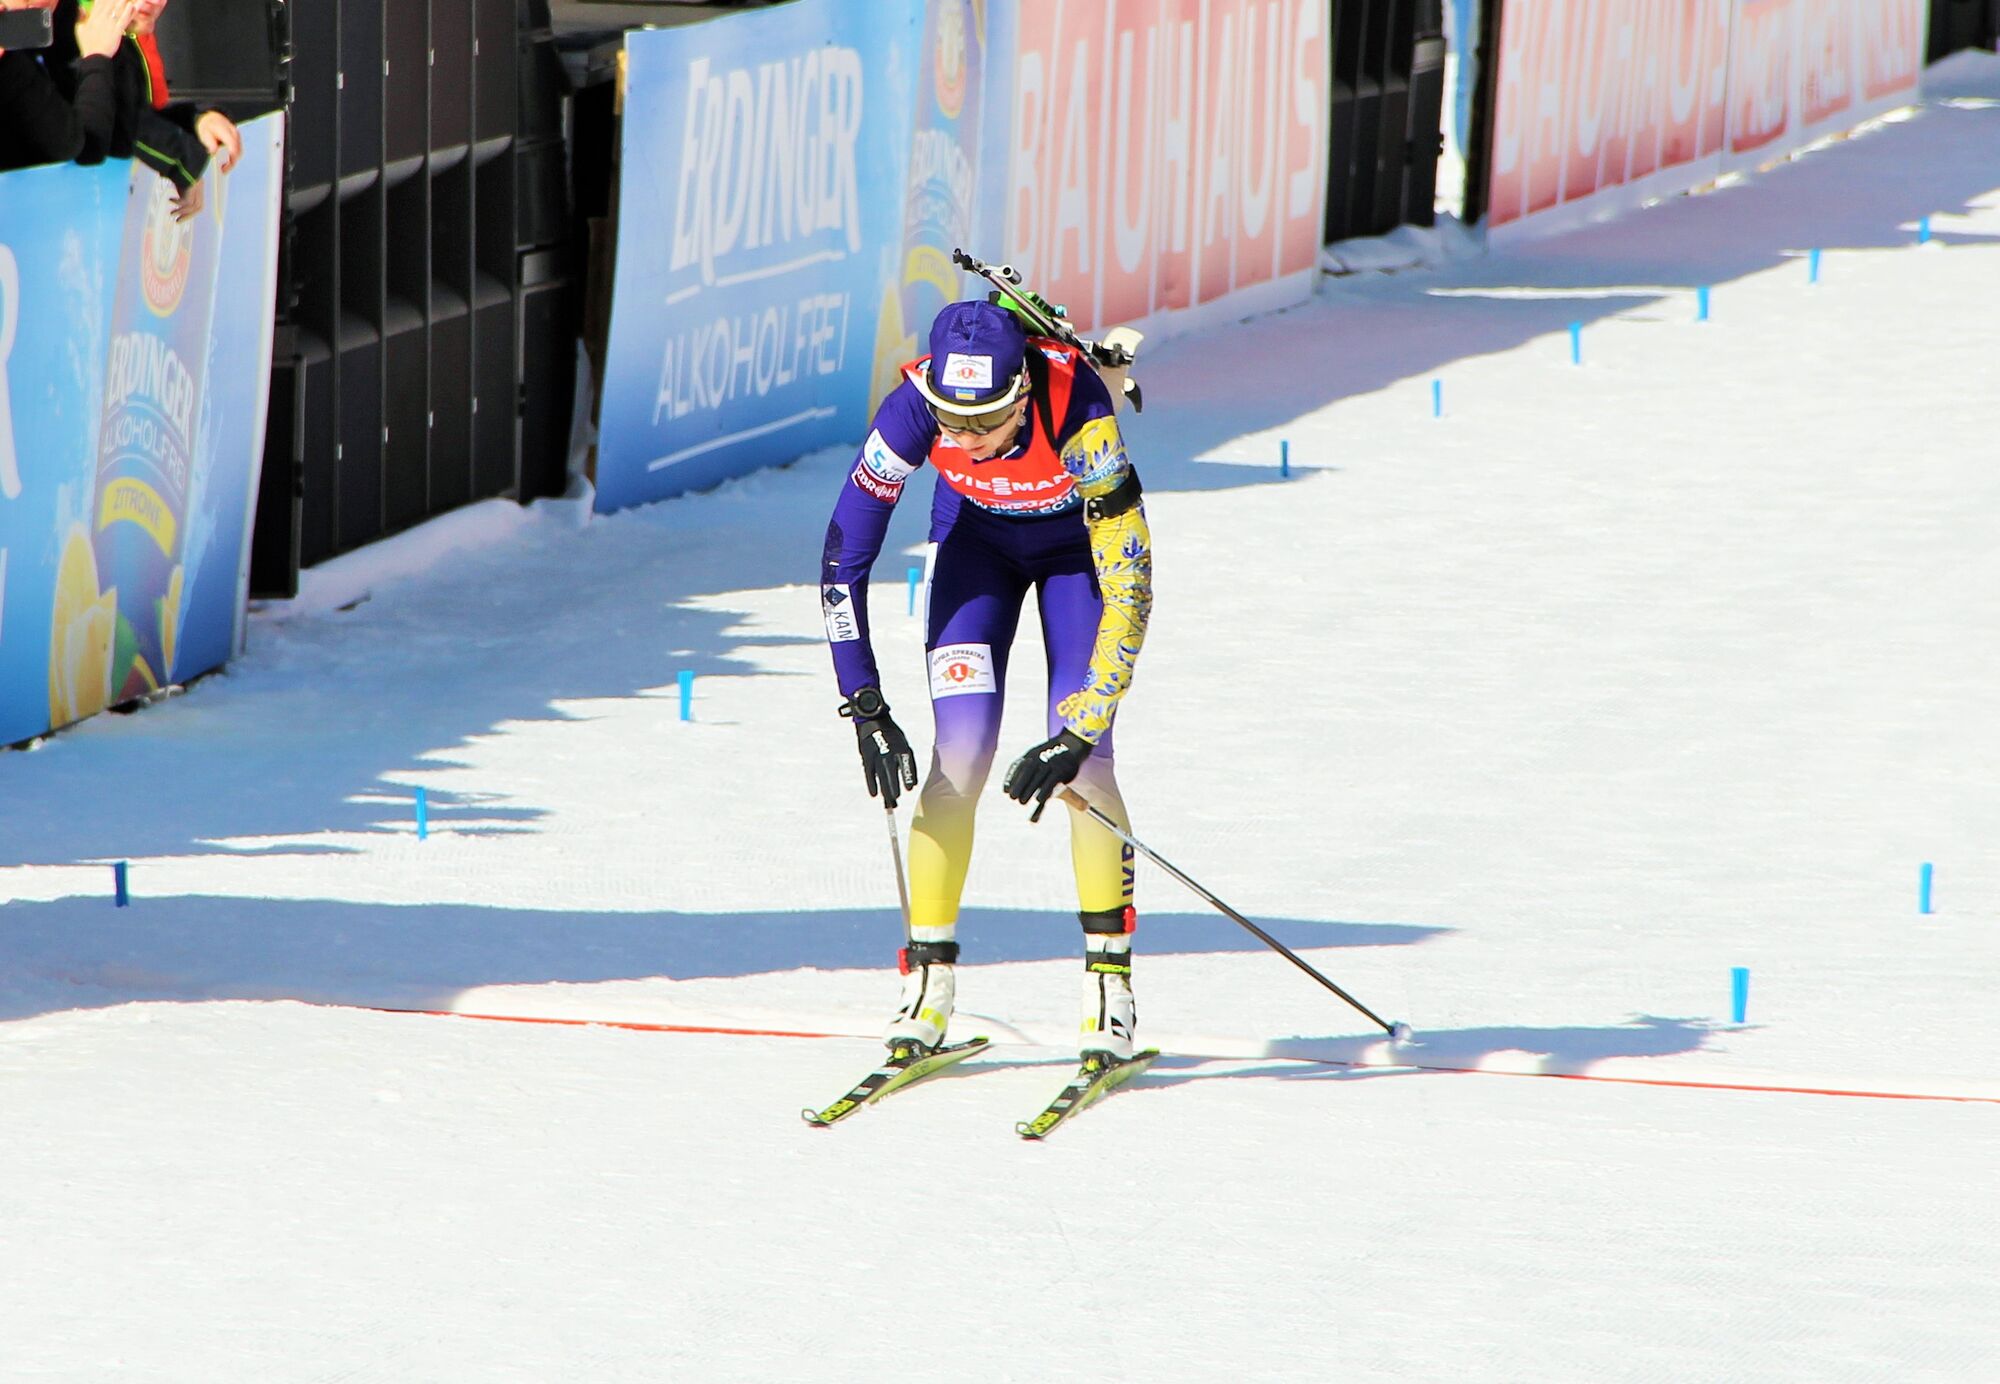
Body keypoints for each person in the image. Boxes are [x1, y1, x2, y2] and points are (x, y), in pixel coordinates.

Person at [820, 296, 1153, 1063]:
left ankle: (1110, 991)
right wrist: (864, 702)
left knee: (1088, 771)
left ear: (1024, 396)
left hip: (1078, 558)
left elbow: (1129, 583)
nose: (962, 439)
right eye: (949, 420)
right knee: (959, 754)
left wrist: (1078, 729)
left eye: (985, 423)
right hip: (976, 548)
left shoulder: (1080, 407)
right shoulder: (911, 409)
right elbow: (844, 556)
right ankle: (928, 987)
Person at [49, 0, 240, 219]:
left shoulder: (126, 35)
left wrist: (198, 120)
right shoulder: (66, 36)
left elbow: (141, 110)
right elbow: (113, 128)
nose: (155, 2)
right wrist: (185, 162)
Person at [0, 0, 131, 174]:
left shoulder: (57, 22)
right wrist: (98, 57)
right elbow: (78, 146)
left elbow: (120, 141)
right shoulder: (9, 56)